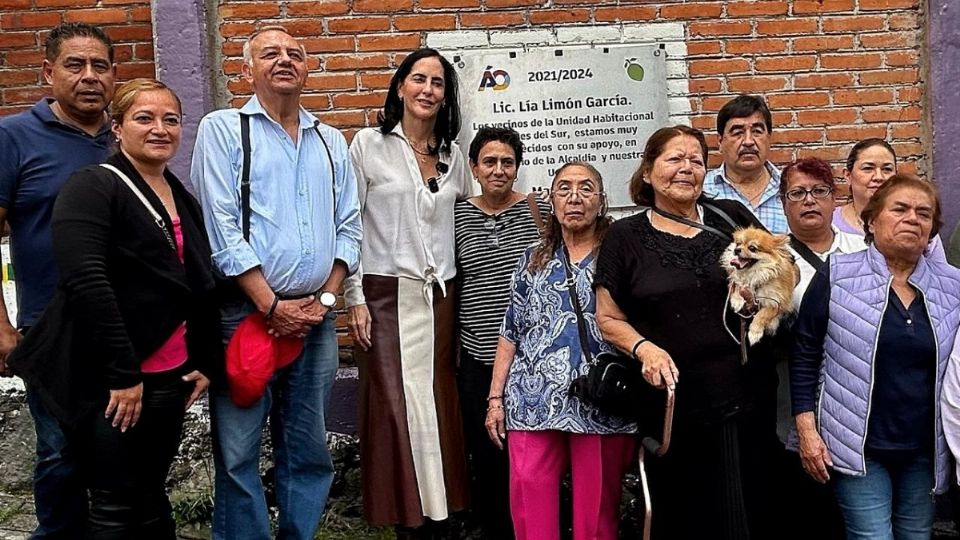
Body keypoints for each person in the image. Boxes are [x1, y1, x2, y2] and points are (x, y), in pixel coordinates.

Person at [9, 78, 219, 539]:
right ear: (118, 127)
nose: (160, 128)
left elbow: (197, 281)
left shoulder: (176, 191)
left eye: (171, 119)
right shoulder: (92, 186)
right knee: (115, 501)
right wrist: (123, 376)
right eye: (144, 118)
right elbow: (88, 284)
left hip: (170, 375)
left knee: (150, 492)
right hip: (114, 380)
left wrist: (204, 358)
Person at [191, 26, 362, 540]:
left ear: (307, 68)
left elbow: (349, 228)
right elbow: (219, 226)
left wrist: (326, 300)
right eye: (270, 54)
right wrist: (270, 306)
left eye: (295, 54)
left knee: (308, 444)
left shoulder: (331, 141)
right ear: (248, 70)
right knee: (239, 449)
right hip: (245, 316)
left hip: (316, 321)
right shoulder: (223, 129)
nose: (284, 61)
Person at [594, 125, 780, 539]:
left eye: (696, 160)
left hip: (745, 394)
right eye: (674, 159)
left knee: (752, 507)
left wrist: (759, 296)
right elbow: (607, 318)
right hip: (674, 406)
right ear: (647, 171)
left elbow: (782, 271)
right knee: (688, 513)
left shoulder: (732, 218)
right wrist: (645, 350)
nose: (686, 169)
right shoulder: (625, 236)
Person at [344, 47, 471, 538]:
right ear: (400, 87)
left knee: (437, 403)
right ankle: (408, 521)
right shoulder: (368, 145)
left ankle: (444, 516)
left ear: (445, 96)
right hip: (383, 294)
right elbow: (348, 223)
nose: (427, 90)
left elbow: (466, 219)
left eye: (438, 83)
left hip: (439, 297)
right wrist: (353, 296)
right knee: (396, 407)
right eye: (418, 79)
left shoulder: (452, 155)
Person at [792, 174, 960, 539]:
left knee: (916, 535)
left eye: (923, 213)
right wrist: (806, 429)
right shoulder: (837, 274)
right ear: (871, 220)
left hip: (924, 449)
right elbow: (805, 353)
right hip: (857, 445)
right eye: (899, 209)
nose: (912, 219)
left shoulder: (954, 285)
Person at [0, 22, 116, 539]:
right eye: (75, 65)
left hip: (120, 329)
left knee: (115, 452)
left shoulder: (127, 138)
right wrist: (3, 331)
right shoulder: (13, 137)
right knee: (61, 453)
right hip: (48, 327)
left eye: (100, 66)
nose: (89, 77)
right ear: (49, 72)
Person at [484, 162, 636, 540]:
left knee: (596, 517)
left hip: (600, 402)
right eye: (564, 188)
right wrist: (495, 398)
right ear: (551, 201)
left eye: (586, 188)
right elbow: (510, 329)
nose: (574, 197)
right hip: (531, 402)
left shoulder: (621, 255)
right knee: (529, 506)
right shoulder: (533, 258)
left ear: (602, 202)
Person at [454, 126, 545, 539]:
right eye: (489, 161)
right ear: (474, 167)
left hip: (530, 359)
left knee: (529, 458)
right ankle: (496, 529)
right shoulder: (456, 215)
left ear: (517, 168)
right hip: (476, 357)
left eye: (507, 162)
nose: (498, 170)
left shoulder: (537, 211)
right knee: (486, 454)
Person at [775, 157, 863, 539]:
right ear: (783, 203)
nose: (809, 200)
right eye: (797, 193)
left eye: (819, 191)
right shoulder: (771, 258)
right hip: (793, 397)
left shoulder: (864, 250)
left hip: (857, 397)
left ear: (834, 198)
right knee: (806, 507)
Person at [704, 94, 787, 234]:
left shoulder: (790, 190)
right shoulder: (703, 191)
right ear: (720, 142)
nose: (748, 141)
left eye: (757, 132)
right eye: (738, 133)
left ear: (769, 139)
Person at [834, 138, 897, 235]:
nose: (878, 177)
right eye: (868, 168)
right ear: (848, 176)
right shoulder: (830, 224)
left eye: (887, 169)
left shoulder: (908, 221)